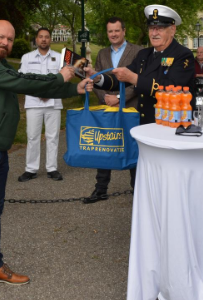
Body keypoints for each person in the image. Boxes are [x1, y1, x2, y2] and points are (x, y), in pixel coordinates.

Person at [0, 20, 93, 300]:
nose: (5, 43)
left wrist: (71, 89)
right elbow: (21, 82)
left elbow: (32, 81)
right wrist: (62, 77)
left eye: (10, 39)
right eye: (1, 37)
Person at [85, 4, 195, 125]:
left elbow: (173, 87)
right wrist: (98, 77)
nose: (154, 33)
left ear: (172, 30)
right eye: (151, 28)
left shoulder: (183, 55)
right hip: (143, 122)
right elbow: (120, 80)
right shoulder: (144, 54)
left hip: (170, 122)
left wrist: (134, 79)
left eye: (160, 28)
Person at [85, 17, 142, 204]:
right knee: (105, 148)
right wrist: (107, 100)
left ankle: (138, 191)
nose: (114, 34)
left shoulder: (138, 51)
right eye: (110, 31)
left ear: (124, 31)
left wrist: (119, 98)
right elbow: (96, 80)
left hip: (130, 108)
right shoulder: (101, 53)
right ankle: (100, 189)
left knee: (132, 148)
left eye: (117, 30)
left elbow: (139, 82)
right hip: (107, 108)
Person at [18, 28, 64, 182]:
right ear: (36, 39)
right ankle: (31, 169)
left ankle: (52, 168)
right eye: (41, 37)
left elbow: (64, 78)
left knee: (53, 136)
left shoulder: (59, 58)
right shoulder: (27, 57)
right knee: (32, 136)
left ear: (50, 39)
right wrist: (39, 91)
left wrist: (48, 92)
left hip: (54, 103)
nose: (44, 39)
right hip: (33, 102)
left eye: (47, 37)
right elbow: (23, 79)